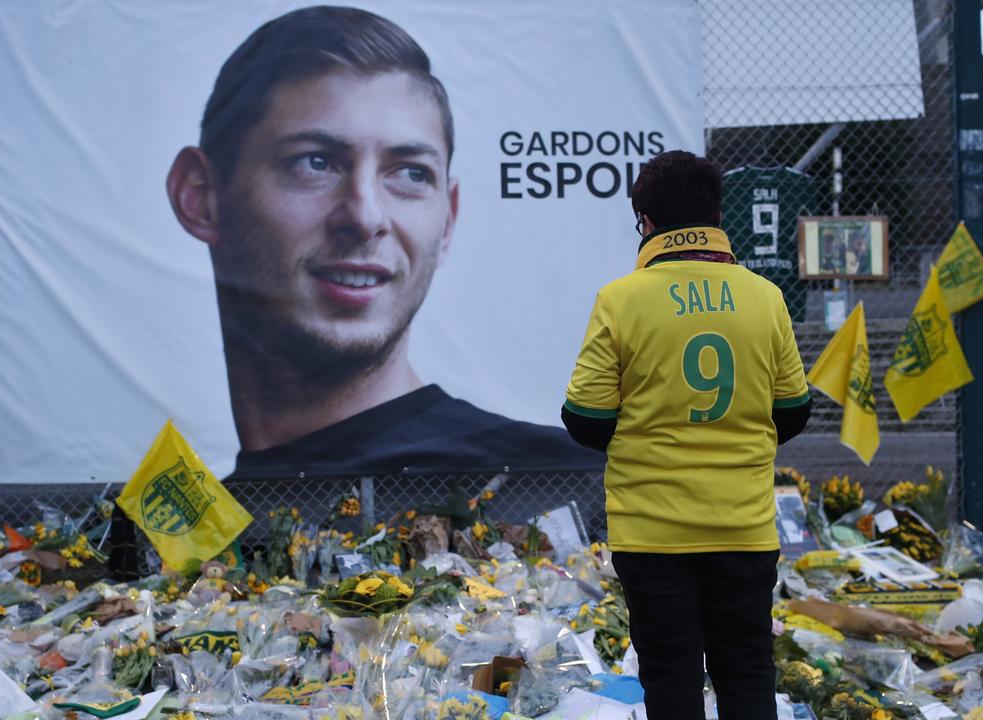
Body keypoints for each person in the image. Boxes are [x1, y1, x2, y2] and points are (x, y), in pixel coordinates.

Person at [167, 6, 599, 479]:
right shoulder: (170, 537)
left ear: (448, 219)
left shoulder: (566, 488)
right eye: (314, 163)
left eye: (411, 174)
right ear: (201, 197)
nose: (366, 216)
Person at [561, 150, 812, 719]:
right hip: (743, 526)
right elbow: (794, 412)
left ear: (644, 221)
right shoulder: (764, 297)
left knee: (671, 681)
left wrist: (648, 432)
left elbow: (585, 420)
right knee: (748, 673)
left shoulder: (620, 300)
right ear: (716, 215)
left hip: (651, 530)